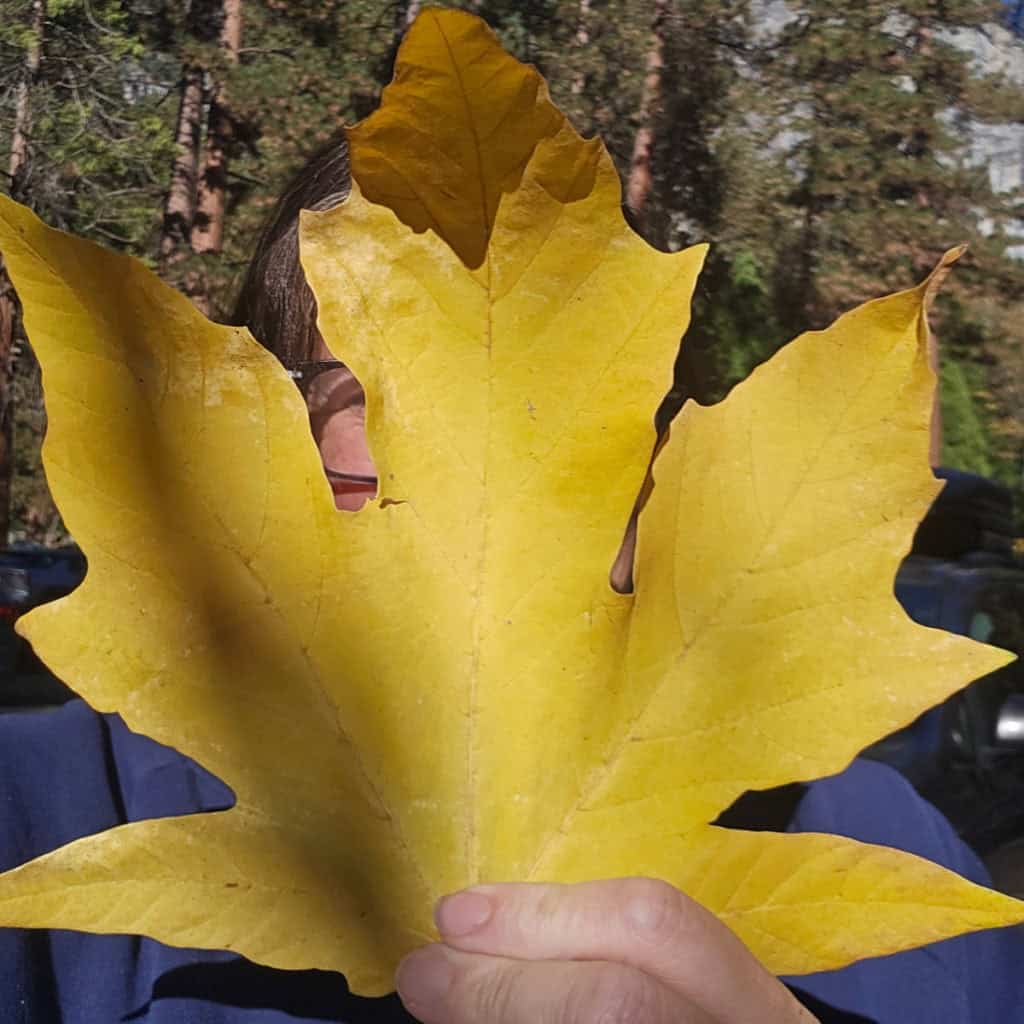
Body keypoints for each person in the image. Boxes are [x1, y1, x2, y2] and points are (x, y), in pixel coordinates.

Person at [2, 134, 1023, 1024]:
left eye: (575, 425)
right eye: (370, 397)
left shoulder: (899, 871)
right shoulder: (42, 810)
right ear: (242, 454)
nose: (482, 466)